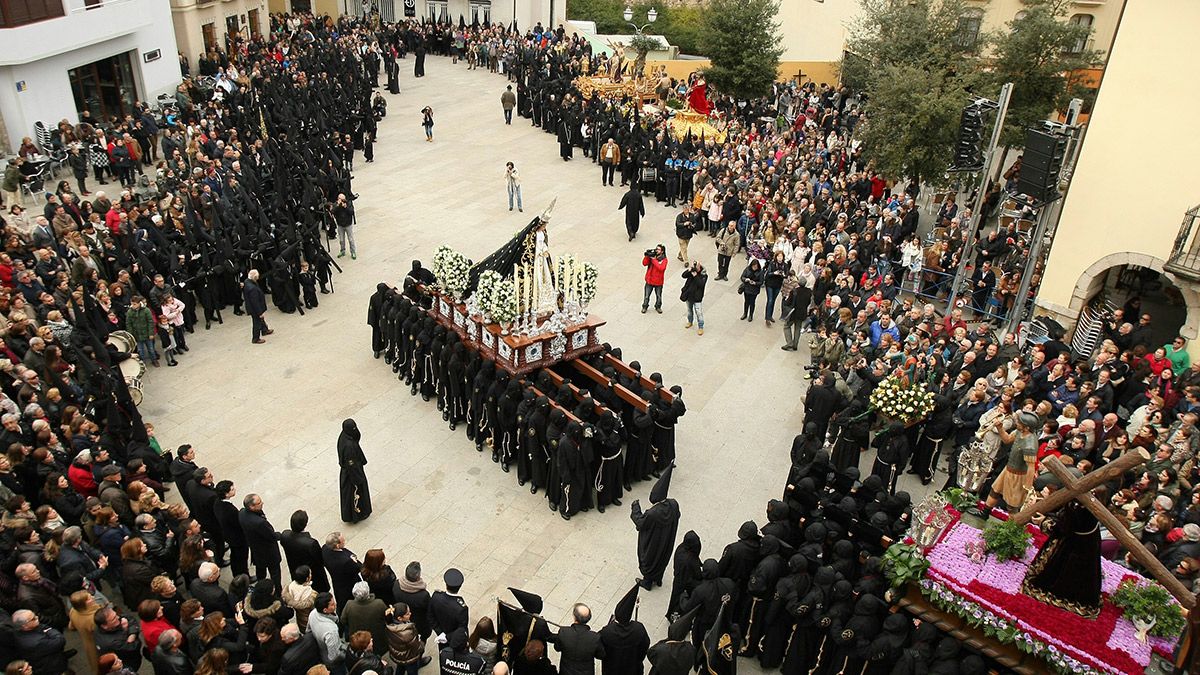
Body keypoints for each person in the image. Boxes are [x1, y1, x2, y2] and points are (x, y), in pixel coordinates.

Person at [630, 466, 680, 590]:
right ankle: (658, 579)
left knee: (650, 558)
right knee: (662, 557)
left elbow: (640, 523)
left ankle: (647, 582)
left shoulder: (653, 513)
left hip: (653, 542)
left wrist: (635, 508)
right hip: (666, 540)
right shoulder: (673, 504)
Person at [598, 585, 650, 675]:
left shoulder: (607, 632)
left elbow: (599, 650)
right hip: (633, 668)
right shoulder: (639, 629)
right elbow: (645, 646)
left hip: (612, 668)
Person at [337, 419, 372, 523]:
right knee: (355, 494)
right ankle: (357, 515)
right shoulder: (348, 446)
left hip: (351, 470)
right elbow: (351, 464)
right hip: (351, 474)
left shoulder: (344, 436)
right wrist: (358, 479)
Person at [556, 604, 605, 675]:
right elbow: (600, 655)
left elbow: (557, 648)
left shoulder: (564, 632)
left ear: (574, 617)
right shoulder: (595, 637)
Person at [430, 568, 469, 647]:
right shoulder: (461, 609)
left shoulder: (436, 596)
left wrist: (440, 633)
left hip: (441, 636)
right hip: (455, 639)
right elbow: (462, 629)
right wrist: (447, 636)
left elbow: (430, 616)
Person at [243, 269, 272, 344]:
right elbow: (255, 302)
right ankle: (255, 338)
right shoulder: (252, 289)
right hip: (255, 309)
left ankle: (264, 330)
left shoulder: (247, 282)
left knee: (261, 320)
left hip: (252, 307)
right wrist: (260, 312)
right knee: (257, 322)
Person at [680, 261, 707, 336]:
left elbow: (701, 284)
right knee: (689, 310)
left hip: (697, 298)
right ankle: (690, 322)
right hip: (689, 295)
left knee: (699, 312)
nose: (695, 268)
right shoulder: (692, 272)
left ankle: (700, 327)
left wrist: (695, 276)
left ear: (700, 267)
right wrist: (689, 270)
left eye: (697, 267)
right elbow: (683, 276)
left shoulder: (704, 275)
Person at [641, 245, 667, 315]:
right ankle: (645, 306)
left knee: (658, 296)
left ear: (662, 251)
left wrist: (653, 259)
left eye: (658, 249)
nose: (656, 250)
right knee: (646, 296)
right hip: (649, 280)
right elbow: (644, 263)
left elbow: (661, 268)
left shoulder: (664, 259)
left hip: (658, 282)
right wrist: (647, 256)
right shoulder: (652, 257)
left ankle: (658, 307)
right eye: (656, 249)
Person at [332, 194, 357, 260]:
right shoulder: (336, 204)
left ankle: (353, 252)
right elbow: (332, 211)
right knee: (341, 240)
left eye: (343, 199)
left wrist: (346, 207)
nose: (342, 201)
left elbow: (352, 212)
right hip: (340, 225)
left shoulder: (348, 203)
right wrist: (337, 205)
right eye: (340, 199)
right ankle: (342, 251)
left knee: (351, 239)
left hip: (348, 224)